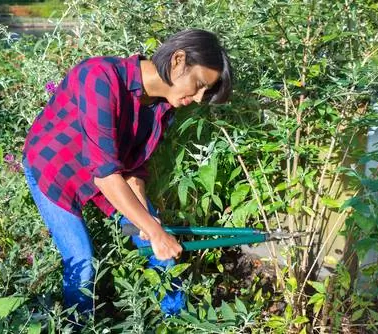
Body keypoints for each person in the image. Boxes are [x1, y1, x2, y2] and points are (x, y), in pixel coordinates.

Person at [22, 29, 232, 315]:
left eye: (204, 92)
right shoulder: (100, 77)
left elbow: (133, 168)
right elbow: (106, 174)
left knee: (155, 239)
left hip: (106, 176)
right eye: (198, 84)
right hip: (55, 170)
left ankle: (177, 318)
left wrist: (149, 224)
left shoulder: (162, 107)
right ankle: (77, 326)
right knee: (81, 260)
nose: (197, 98)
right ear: (178, 60)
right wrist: (153, 230)